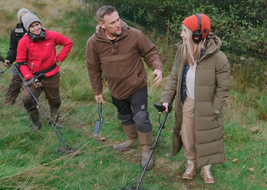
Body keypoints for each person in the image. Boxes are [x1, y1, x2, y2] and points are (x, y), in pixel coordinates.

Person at [86, 5, 163, 170]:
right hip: (115, 88)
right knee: (124, 115)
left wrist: (156, 67)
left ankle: (146, 149)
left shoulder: (135, 35)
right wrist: (97, 91)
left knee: (141, 117)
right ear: (102, 24)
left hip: (137, 85)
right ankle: (130, 140)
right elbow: (93, 68)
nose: (117, 24)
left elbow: (150, 52)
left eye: (118, 19)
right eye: (112, 22)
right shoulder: (93, 43)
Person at [160, 13, 230, 184]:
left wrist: (215, 108)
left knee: (207, 138)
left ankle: (206, 169)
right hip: (188, 103)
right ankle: (191, 163)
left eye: (185, 31)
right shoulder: (182, 52)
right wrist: (166, 99)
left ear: (197, 35)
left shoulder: (218, 58)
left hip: (208, 106)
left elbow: (223, 87)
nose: (181, 34)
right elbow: (174, 77)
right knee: (188, 136)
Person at [16, 13, 73, 131]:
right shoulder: (23, 42)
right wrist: (30, 78)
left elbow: (68, 42)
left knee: (55, 100)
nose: (36, 28)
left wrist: (59, 58)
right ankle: (36, 123)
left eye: (37, 24)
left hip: (52, 75)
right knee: (27, 99)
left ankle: (55, 121)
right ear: (27, 29)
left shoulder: (51, 36)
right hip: (34, 76)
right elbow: (21, 62)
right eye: (32, 26)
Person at [2, 8, 30, 105]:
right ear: (20, 19)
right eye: (22, 16)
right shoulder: (15, 32)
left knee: (36, 83)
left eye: (26, 15)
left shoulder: (36, 29)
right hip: (21, 61)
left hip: (36, 61)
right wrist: (9, 60)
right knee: (16, 81)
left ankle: (34, 102)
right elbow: (13, 49)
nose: (25, 18)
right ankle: (9, 100)